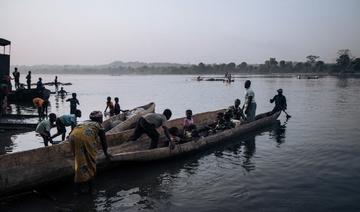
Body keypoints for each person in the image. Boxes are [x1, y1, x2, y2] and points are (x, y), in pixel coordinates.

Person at [68, 111, 110, 194]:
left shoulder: (85, 122)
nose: (102, 120)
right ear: (99, 119)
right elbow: (103, 142)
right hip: (84, 138)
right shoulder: (99, 126)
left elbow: (72, 132)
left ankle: (77, 190)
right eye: (101, 118)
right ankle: (92, 190)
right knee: (90, 162)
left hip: (72, 137)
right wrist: (106, 154)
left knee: (79, 162)